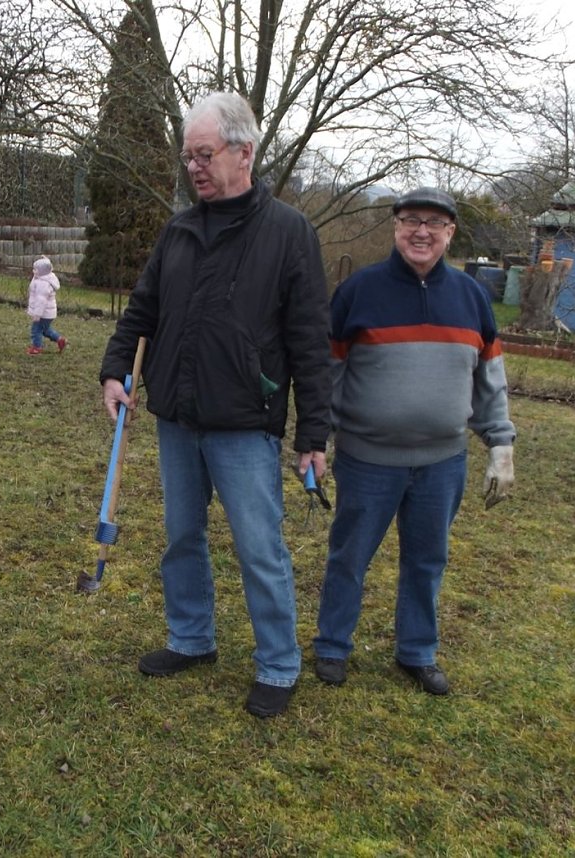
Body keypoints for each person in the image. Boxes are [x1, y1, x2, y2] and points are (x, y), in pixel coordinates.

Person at [100, 92, 331, 718]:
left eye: (203, 155)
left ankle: (279, 667)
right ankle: (192, 639)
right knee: (182, 537)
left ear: (244, 152)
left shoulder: (289, 232)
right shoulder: (178, 229)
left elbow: (311, 342)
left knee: (260, 548)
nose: (194, 168)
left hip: (244, 426)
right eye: (188, 157)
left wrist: (314, 432)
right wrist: (115, 371)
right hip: (177, 416)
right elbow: (142, 312)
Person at [313, 187, 515, 695]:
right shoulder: (358, 292)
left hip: (443, 462)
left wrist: (500, 443)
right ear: (395, 227)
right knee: (349, 556)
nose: (420, 231)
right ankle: (333, 646)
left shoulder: (471, 298)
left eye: (434, 222)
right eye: (409, 220)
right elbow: (328, 374)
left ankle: (417, 652)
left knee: (427, 560)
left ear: (450, 233)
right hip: (367, 460)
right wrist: (316, 439)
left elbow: (489, 376)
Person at [26, 257, 67, 355]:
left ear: (42, 272)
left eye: (35, 269)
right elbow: (48, 268)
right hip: (48, 313)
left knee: (36, 330)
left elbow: (41, 301)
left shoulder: (42, 284)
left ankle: (36, 348)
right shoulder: (45, 277)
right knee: (45, 330)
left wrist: (37, 314)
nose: (33, 271)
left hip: (43, 313)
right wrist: (47, 260)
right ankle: (60, 339)